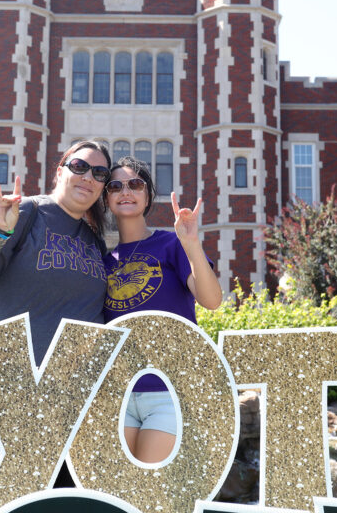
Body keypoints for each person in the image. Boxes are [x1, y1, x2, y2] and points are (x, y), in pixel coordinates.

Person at [102, 156, 222, 463]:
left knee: (149, 491)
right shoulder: (102, 261)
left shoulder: (171, 245)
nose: (125, 191)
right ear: (106, 198)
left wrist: (191, 242)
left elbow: (211, 300)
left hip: (168, 389)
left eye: (135, 184)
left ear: (147, 195)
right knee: (121, 491)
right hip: (119, 393)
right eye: (115, 186)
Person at [0, 140, 112, 363]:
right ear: (60, 172)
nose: (88, 177)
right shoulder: (25, 212)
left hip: (72, 387)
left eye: (100, 173)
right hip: (7, 374)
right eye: (79, 166)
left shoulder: (95, 242)